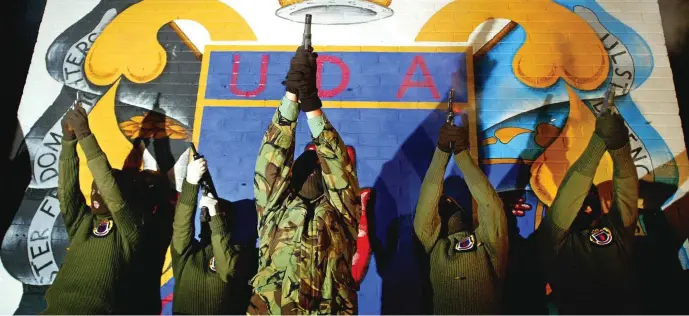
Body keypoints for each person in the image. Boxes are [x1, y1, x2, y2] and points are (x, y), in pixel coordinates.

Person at [249, 47, 361, 314]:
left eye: (316, 170)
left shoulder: (343, 216)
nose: (312, 173)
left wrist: (311, 103)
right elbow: (272, 158)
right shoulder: (273, 213)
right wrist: (292, 95)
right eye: (306, 169)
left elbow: (338, 166)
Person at [43, 103, 145, 314]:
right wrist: (68, 142)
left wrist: (85, 135)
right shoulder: (82, 222)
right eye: (93, 190)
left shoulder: (128, 228)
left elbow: (107, 183)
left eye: (102, 190)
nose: (96, 194)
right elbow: (66, 190)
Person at [538, 108, 639, 314]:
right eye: (581, 202)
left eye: (590, 201)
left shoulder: (616, 233)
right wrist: (600, 141)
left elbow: (627, 193)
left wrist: (620, 148)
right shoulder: (552, 241)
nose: (588, 207)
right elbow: (566, 202)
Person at [413, 119, 508, 314]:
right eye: (442, 202)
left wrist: (461, 153)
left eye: (450, 199)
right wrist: (441, 151)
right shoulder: (434, 246)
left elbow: (491, 204)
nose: (445, 202)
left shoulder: (489, 243)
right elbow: (427, 202)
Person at [170, 156, 243, 314]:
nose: (206, 216)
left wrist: (216, 217)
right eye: (204, 212)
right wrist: (191, 183)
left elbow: (227, 269)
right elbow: (181, 227)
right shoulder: (188, 253)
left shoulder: (238, 254)